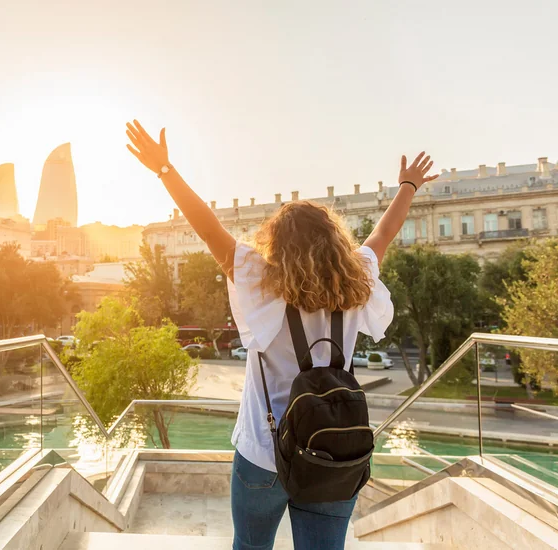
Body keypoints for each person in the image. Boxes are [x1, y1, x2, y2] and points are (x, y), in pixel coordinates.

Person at [125, 119, 437, 550]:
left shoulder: (259, 280)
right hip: (334, 453)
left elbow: (207, 228)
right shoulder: (357, 279)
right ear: (335, 240)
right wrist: (408, 185)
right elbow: (384, 232)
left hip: (263, 453)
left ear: (277, 243)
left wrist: (165, 170)